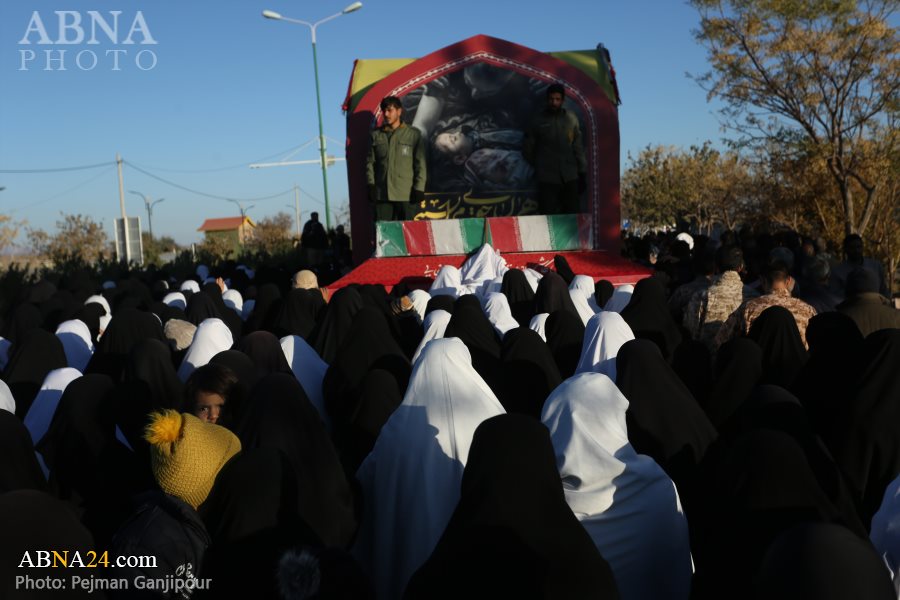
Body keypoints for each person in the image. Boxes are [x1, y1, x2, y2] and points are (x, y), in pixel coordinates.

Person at [522, 83, 587, 214]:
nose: (554, 102)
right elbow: (527, 148)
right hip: (547, 179)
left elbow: (578, 147)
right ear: (547, 99)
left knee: (573, 216)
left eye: (557, 99)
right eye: (551, 99)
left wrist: (582, 172)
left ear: (562, 101)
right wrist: (540, 165)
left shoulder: (571, 118)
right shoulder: (538, 120)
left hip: (570, 177)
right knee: (548, 218)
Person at [367, 95, 427, 221]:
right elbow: (370, 163)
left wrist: (419, 188)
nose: (386, 114)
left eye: (390, 110)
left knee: (407, 231)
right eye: (384, 111)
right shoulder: (376, 136)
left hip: (406, 195)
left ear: (399, 111)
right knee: (384, 232)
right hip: (383, 196)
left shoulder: (413, 134)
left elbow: (420, 165)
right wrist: (371, 185)